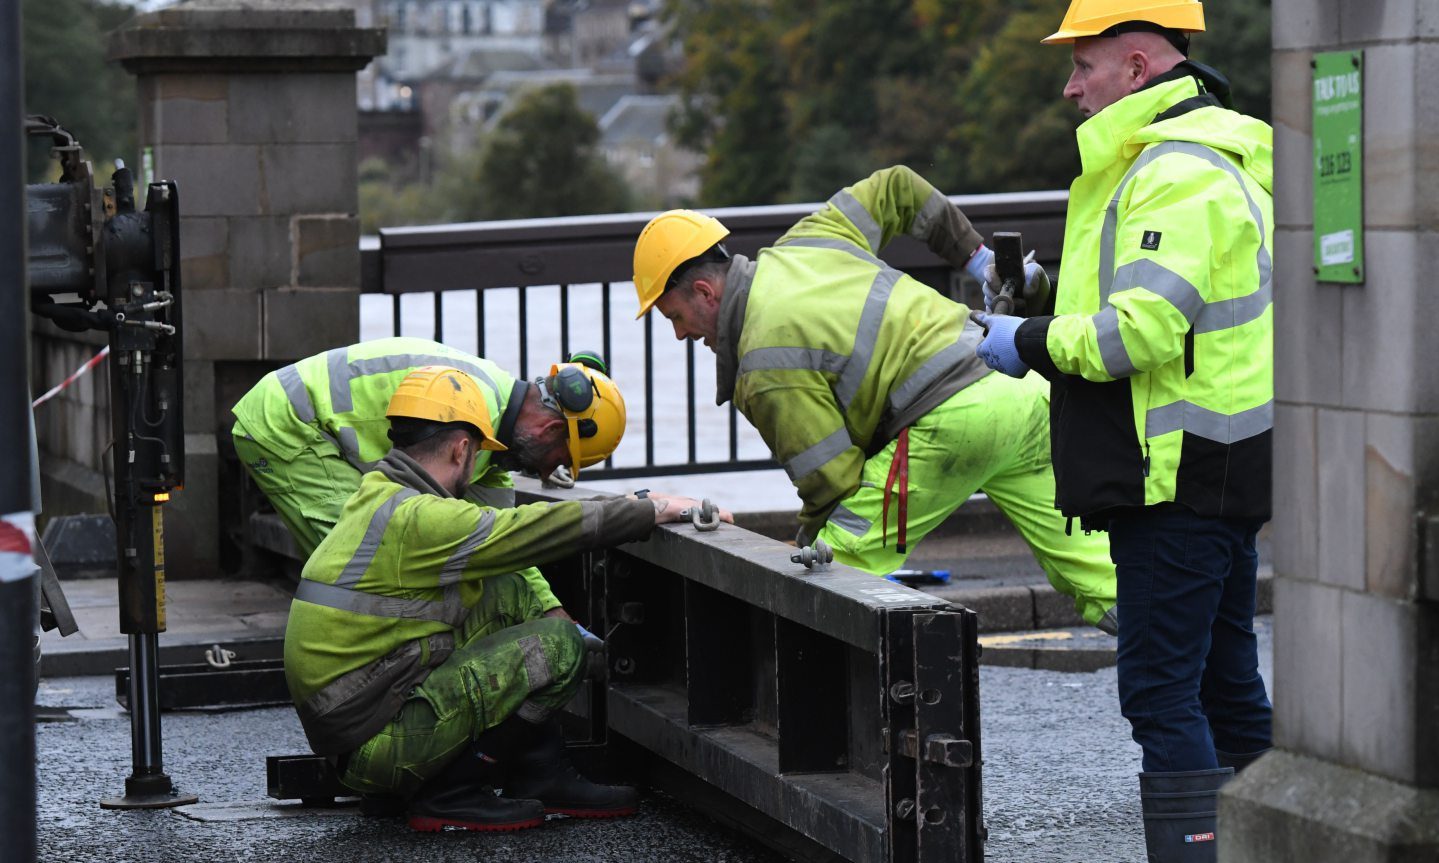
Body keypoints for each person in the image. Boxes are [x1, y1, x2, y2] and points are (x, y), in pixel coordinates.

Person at [973, 0, 1273, 857]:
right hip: (1218, 463)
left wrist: (1023, 341)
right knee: (1225, 686)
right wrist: (1043, 300)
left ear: (1137, 67)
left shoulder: (1172, 173)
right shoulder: (1216, 156)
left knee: (1159, 692)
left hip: (1172, 476)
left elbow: (1136, 334)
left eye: (1082, 66)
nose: (1070, 87)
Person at [630, 166, 1117, 632]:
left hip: (949, 422)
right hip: (1020, 389)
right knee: (1104, 578)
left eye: (674, 316)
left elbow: (831, 482)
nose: (677, 335)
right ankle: (1182, 669)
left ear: (704, 292)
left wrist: (805, 547)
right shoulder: (810, 241)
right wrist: (979, 260)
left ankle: (821, 715)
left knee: (832, 576)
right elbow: (898, 187)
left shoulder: (764, 364)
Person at [285, 365, 731, 832]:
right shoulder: (419, 519)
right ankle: (449, 793)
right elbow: (528, 530)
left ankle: (537, 772)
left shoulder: (379, 493)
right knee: (559, 648)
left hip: (361, 723)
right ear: (462, 449)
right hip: (376, 745)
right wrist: (651, 509)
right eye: (477, 450)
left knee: (506, 588)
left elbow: (507, 566)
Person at [232, 336, 620, 617]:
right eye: (560, 460)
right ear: (551, 431)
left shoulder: (488, 436)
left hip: (308, 427)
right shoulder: (466, 408)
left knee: (382, 563)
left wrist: (548, 610)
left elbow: (505, 545)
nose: (547, 472)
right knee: (359, 561)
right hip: (287, 425)